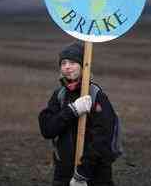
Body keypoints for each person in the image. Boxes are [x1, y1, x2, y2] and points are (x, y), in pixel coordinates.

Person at [39, 41, 116, 186]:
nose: (67, 67)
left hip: (95, 176)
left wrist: (82, 175)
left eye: (73, 62)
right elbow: (47, 129)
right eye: (63, 63)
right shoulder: (59, 95)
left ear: (83, 65)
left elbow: (102, 139)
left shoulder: (96, 95)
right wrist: (72, 110)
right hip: (63, 174)